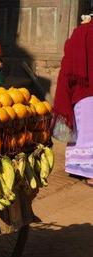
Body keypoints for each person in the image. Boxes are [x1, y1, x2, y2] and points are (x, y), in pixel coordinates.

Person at [54, 13, 93, 185]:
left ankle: (77, 167)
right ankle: (88, 169)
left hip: (80, 93)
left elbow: (67, 69)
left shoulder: (76, 37)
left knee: (82, 132)